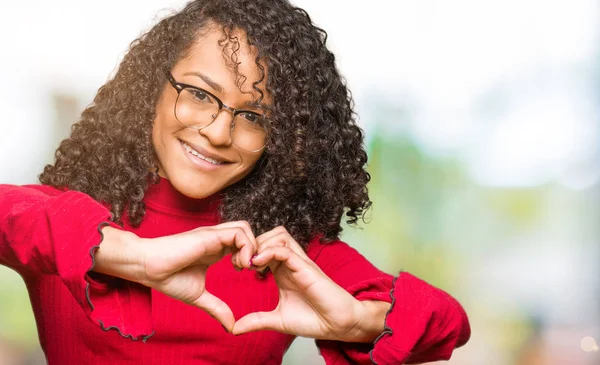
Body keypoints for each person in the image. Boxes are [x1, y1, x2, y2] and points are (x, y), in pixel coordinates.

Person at [0, 0, 471, 364]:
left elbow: (448, 323)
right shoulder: (63, 224)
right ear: (151, 89)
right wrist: (137, 257)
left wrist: (356, 321)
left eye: (252, 116)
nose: (219, 132)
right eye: (200, 94)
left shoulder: (280, 252)